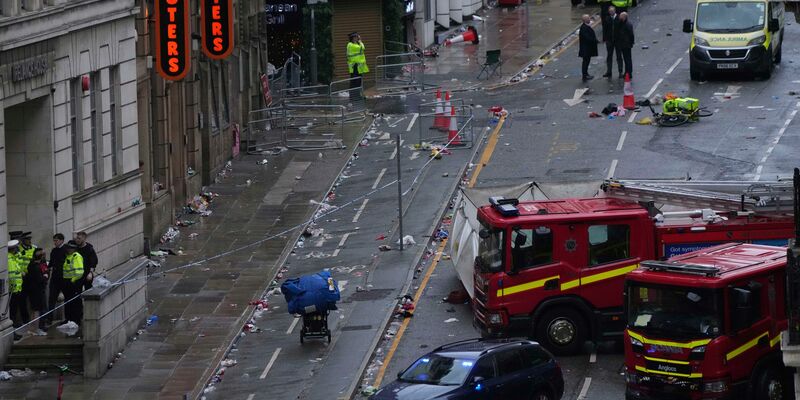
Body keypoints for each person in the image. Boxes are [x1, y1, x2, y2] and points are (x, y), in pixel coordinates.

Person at [23, 248, 48, 335]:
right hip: (37, 291)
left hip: (31, 291)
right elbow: (40, 280)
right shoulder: (37, 267)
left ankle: (31, 329)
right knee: (37, 310)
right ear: (41, 257)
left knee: (33, 310)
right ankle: (36, 329)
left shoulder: (31, 264)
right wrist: (45, 276)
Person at [7, 240, 27, 340]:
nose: (17, 250)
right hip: (13, 291)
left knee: (14, 313)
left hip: (16, 290)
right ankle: (12, 333)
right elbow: (11, 276)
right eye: (16, 248)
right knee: (12, 314)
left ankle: (13, 332)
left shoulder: (14, 258)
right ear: (13, 249)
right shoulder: (10, 260)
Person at [62, 240, 85, 325]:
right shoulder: (68, 256)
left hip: (74, 282)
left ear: (74, 249)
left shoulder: (76, 256)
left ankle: (76, 319)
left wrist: (73, 280)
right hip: (67, 282)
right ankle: (68, 319)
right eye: (68, 248)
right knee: (68, 301)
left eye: (70, 248)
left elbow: (79, 272)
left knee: (75, 302)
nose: (68, 249)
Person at [47, 233, 67, 326]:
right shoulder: (54, 251)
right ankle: (49, 319)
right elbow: (51, 263)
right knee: (51, 299)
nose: (55, 242)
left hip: (64, 278)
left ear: (62, 240)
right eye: (54, 240)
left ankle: (67, 318)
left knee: (67, 298)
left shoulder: (66, 250)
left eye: (56, 240)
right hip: (55, 278)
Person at [346, 32, 369, 98]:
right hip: (354, 66)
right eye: (356, 37)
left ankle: (357, 95)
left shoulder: (355, 44)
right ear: (353, 38)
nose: (357, 38)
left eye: (357, 37)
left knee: (358, 81)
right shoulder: (350, 45)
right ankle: (354, 95)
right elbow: (362, 48)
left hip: (358, 66)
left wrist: (359, 41)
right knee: (355, 81)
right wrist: (360, 41)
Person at [602, 6, 623, 78]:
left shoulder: (619, 18)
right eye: (610, 11)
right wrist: (605, 39)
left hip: (618, 40)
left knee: (619, 56)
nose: (611, 12)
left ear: (615, 11)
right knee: (609, 56)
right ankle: (609, 71)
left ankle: (620, 71)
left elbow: (621, 29)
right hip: (609, 40)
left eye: (612, 11)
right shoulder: (607, 19)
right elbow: (604, 29)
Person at [578, 15, 599, 81]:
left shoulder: (586, 26)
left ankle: (586, 74)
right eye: (588, 18)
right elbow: (587, 38)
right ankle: (584, 75)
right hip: (585, 49)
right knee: (585, 62)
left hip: (587, 48)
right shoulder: (584, 28)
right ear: (584, 20)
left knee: (587, 61)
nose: (589, 19)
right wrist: (594, 40)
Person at [615, 12, 635, 79]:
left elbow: (631, 35)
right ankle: (627, 72)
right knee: (626, 59)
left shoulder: (627, 24)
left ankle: (629, 73)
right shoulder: (622, 23)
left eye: (621, 16)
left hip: (626, 44)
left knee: (628, 59)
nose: (619, 18)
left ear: (624, 17)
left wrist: (631, 43)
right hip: (623, 44)